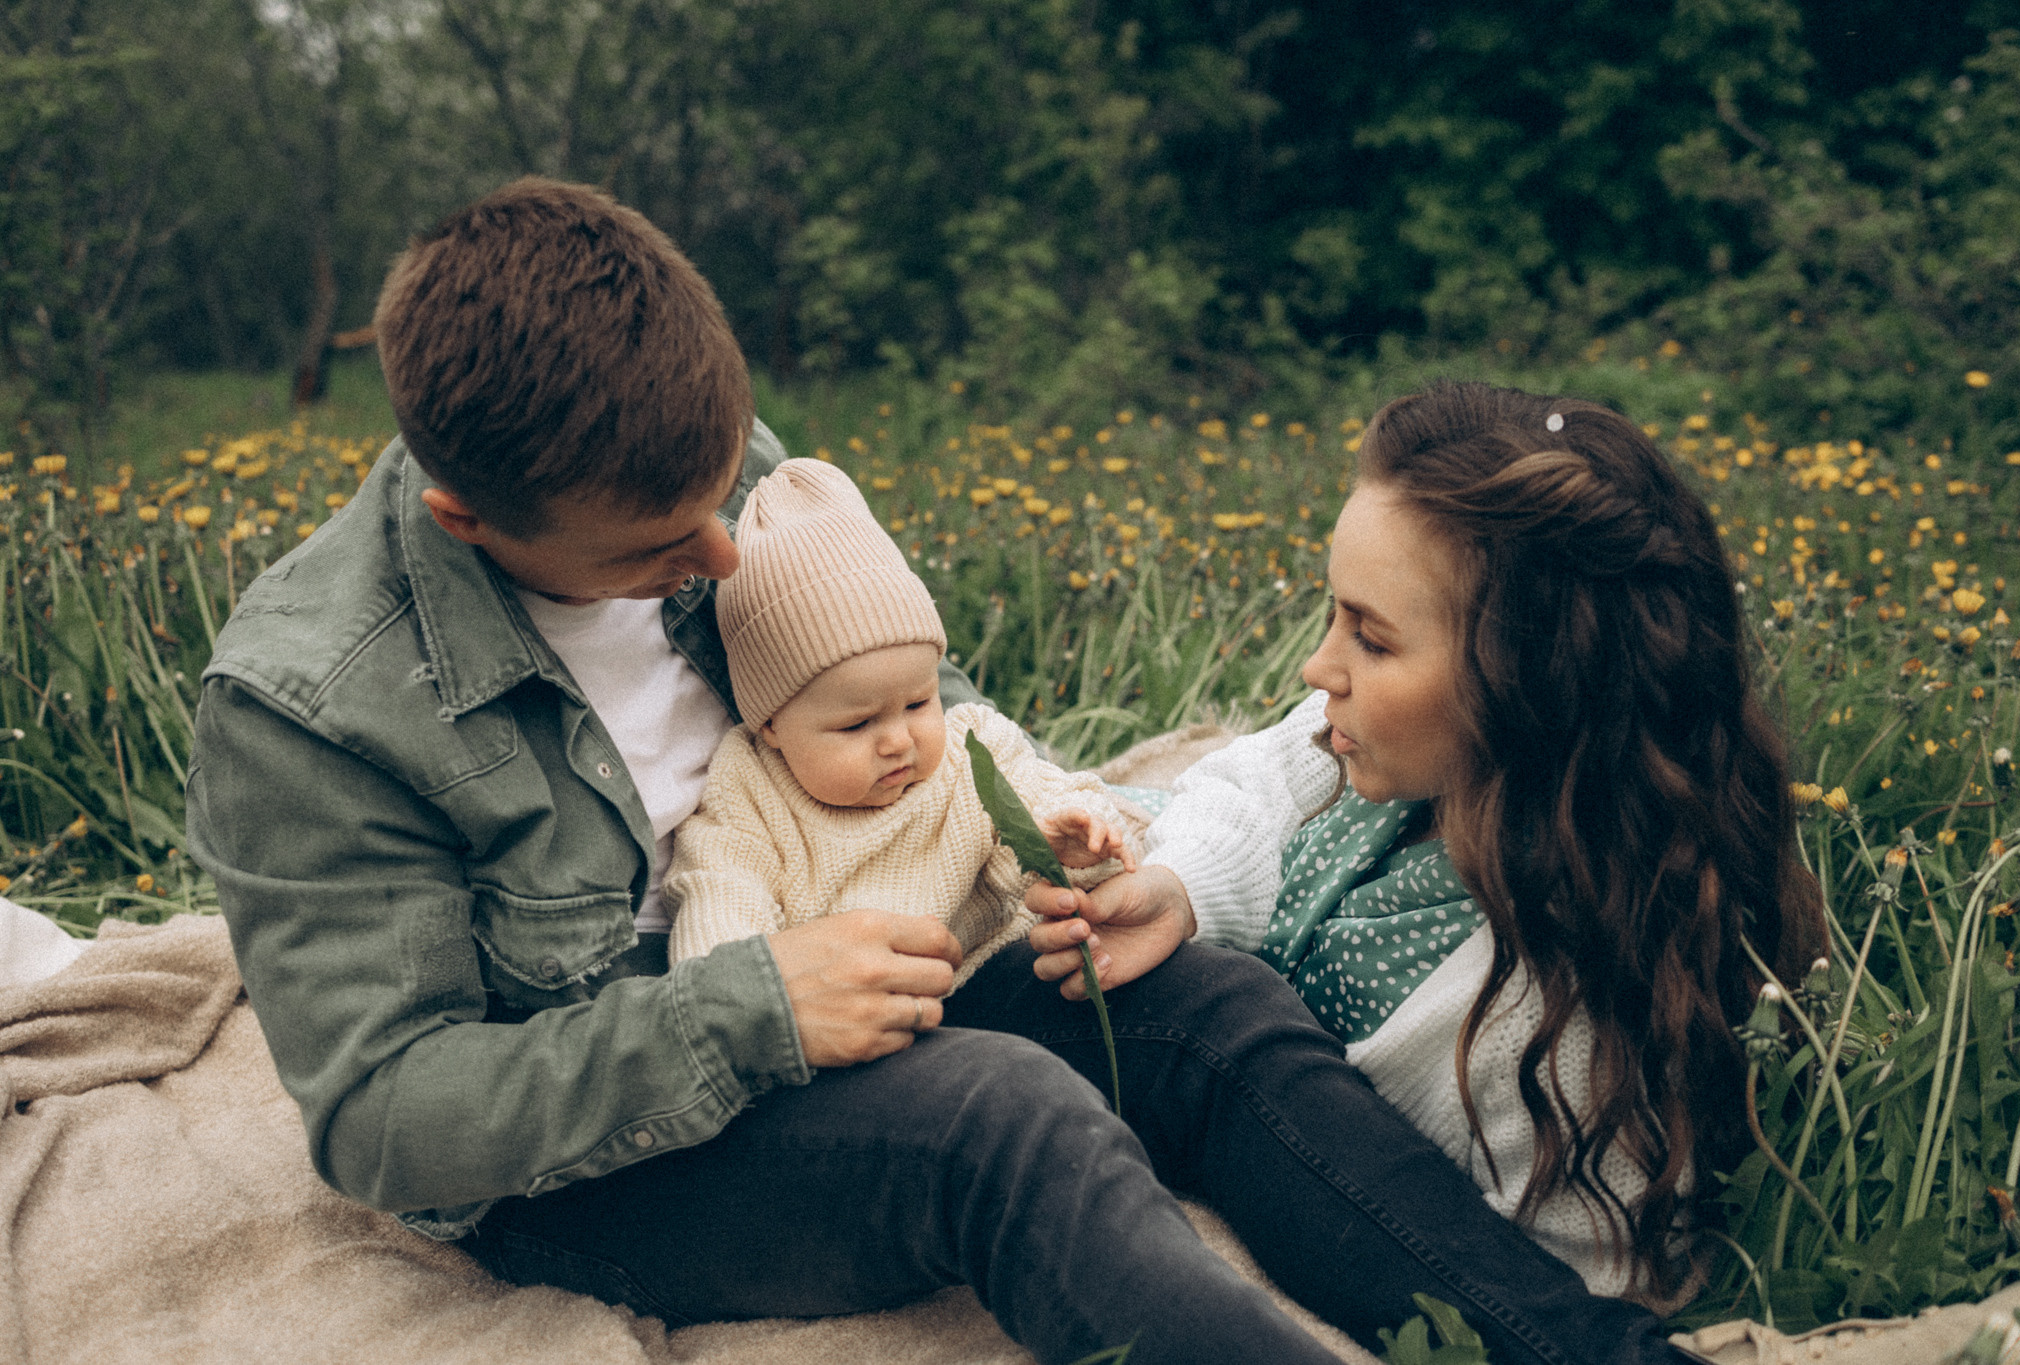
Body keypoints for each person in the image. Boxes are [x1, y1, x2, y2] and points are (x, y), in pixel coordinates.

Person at [186, 174, 1703, 1365]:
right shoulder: (314, 708)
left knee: (1201, 1003)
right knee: (996, 1119)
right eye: (658, 555)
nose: (721, 559)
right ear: (470, 519)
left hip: (877, 982)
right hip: (608, 1155)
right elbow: (387, 1116)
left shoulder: (699, 454)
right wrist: (755, 1009)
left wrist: (1055, 840)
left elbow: (924, 692)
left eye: (729, 497)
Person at [1010, 380, 1825, 1312]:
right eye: (1334, 615)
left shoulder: (1554, 1016)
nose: (1320, 668)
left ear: (1531, 680)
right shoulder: (1379, 746)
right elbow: (1256, 773)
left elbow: (1549, 1277)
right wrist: (1185, 883)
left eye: (1372, 638)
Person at [665, 456, 1137, 980]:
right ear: (771, 724)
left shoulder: (972, 748)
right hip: (854, 1015)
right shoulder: (750, 791)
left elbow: (1051, 803)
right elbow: (722, 893)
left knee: (1205, 985)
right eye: (856, 725)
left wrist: (1074, 843)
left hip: (997, 971)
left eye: (917, 703)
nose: (897, 741)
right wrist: (745, 997)